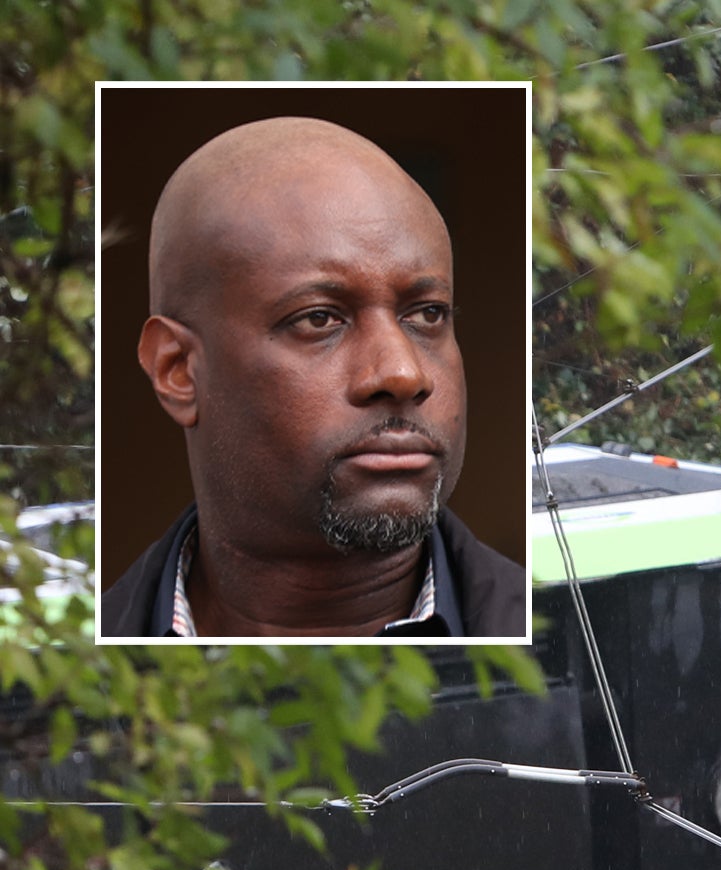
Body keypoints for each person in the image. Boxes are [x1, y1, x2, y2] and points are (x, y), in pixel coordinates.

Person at [102, 117, 526, 638]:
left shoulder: (580, 658)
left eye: (427, 314)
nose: (402, 373)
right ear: (178, 370)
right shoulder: (61, 698)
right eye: (320, 318)